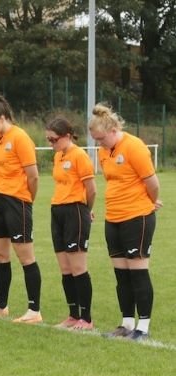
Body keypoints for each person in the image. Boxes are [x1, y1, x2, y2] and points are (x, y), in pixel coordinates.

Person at [90, 104, 161, 341]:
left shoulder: (134, 147)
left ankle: (143, 327)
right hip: (113, 218)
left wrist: (150, 202)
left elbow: (152, 183)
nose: (99, 143)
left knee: (138, 273)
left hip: (137, 217)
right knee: (121, 274)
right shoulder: (104, 151)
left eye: (101, 139)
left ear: (112, 131)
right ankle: (126, 323)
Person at [0, 95, 43, 324]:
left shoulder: (20, 138)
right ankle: (0, 306)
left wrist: (26, 201)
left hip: (18, 201)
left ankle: (34, 311)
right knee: (0, 255)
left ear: (2, 118)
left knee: (25, 257)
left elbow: (33, 176)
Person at [46, 117, 96, 330]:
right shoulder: (58, 155)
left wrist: (87, 210)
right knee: (65, 268)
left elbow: (91, 189)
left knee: (77, 267)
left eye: (54, 139)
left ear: (67, 136)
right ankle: (73, 315)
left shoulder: (79, 156)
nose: (51, 143)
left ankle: (87, 318)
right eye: (48, 139)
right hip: (57, 210)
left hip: (75, 210)